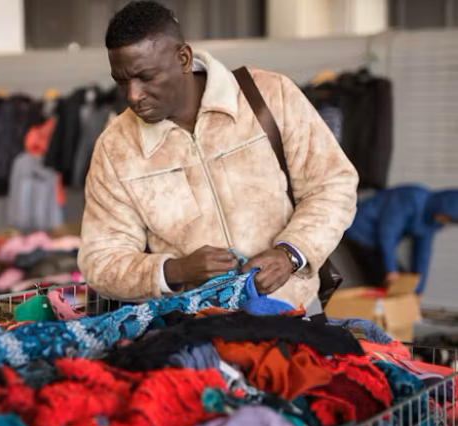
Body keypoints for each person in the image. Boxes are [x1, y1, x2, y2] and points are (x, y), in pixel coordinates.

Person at [77, 1, 359, 309]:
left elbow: (334, 186)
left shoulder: (269, 97)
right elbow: (100, 260)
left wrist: (290, 254)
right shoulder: (115, 148)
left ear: (183, 58)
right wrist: (174, 271)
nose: (133, 95)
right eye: (122, 81)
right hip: (193, 332)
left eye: (146, 77)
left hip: (295, 316)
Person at [342, 184, 458, 295]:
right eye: (447, 217)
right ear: (444, 206)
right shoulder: (411, 197)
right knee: (382, 279)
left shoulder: (432, 221)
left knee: (403, 283)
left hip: (378, 243)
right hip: (360, 231)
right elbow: (387, 233)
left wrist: (418, 289)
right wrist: (391, 270)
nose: (445, 221)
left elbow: (423, 253)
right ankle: (373, 311)